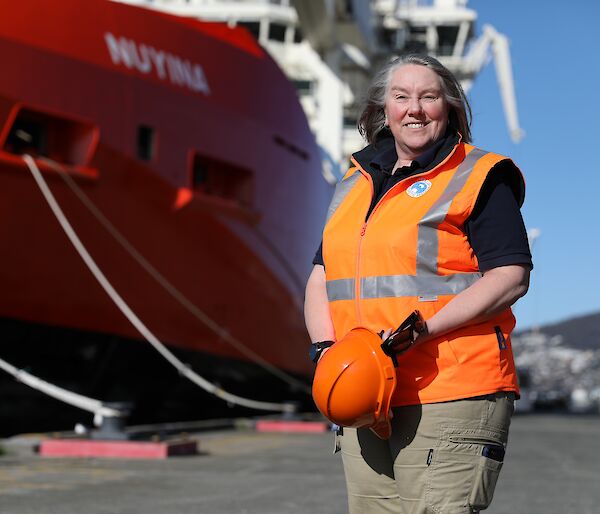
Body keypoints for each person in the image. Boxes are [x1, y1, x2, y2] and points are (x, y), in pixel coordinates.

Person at [304, 54, 532, 514]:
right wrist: (327, 352)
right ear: (382, 109)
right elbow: (321, 276)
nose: (415, 108)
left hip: (449, 390)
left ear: (449, 107)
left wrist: (421, 329)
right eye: (401, 96)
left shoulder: (480, 175)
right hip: (364, 396)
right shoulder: (353, 184)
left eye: (429, 97)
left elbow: (510, 276)